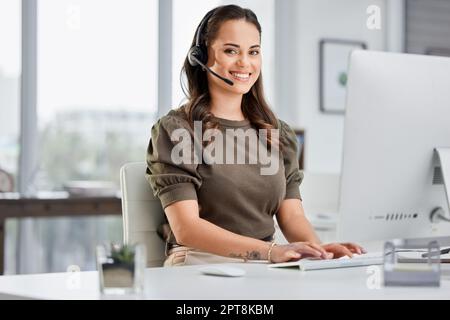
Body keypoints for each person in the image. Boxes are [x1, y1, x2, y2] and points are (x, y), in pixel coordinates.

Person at [146, 5, 365, 267]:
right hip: (201, 261)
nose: (244, 63)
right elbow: (187, 228)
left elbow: (292, 216)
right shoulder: (180, 130)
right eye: (230, 50)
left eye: (253, 52)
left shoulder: (275, 134)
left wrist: (319, 251)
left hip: (264, 262)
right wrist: (271, 252)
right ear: (201, 57)